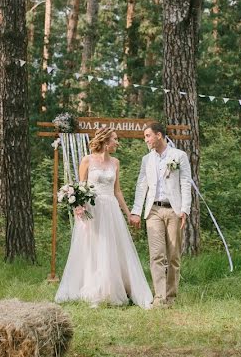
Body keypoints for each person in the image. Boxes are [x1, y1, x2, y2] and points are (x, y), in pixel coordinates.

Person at [55, 127, 153, 308]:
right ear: (106, 142)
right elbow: (80, 188)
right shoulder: (87, 160)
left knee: (111, 247)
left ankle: (112, 288)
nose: (117, 143)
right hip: (92, 210)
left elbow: (117, 191)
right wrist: (78, 208)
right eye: (115, 139)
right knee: (92, 247)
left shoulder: (115, 162)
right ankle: (92, 287)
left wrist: (128, 213)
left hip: (111, 210)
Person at [129, 122, 192, 307]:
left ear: (158, 135)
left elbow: (186, 183)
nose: (146, 139)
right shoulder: (146, 160)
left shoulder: (179, 156)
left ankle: (171, 297)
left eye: (148, 136)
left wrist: (185, 210)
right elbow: (142, 186)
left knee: (173, 255)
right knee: (157, 255)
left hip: (174, 210)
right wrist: (136, 212)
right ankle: (159, 297)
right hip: (153, 211)